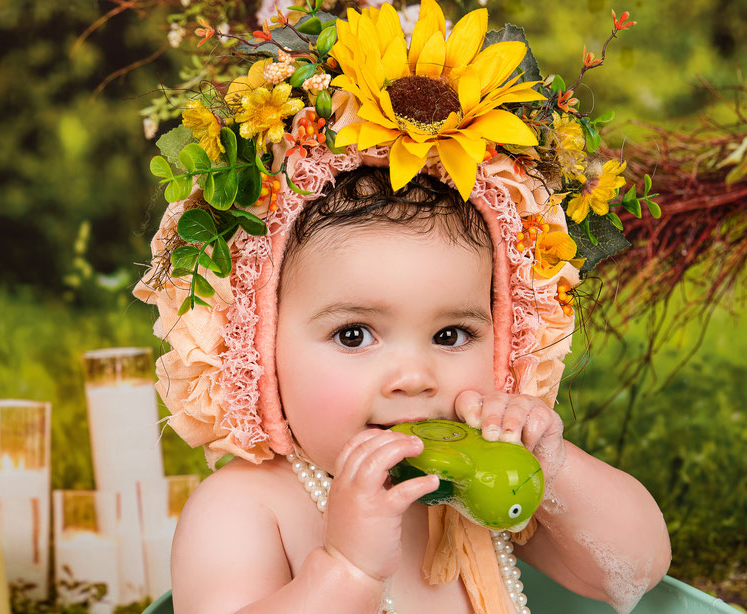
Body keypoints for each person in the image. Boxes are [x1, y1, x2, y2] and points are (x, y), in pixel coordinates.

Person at [133, 1, 669, 612]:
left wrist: (556, 471)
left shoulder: (474, 485)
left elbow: (632, 574)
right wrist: (345, 570)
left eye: (450, 336)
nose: (415, 379)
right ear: (253, 342)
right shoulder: (248, 507)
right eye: (355, 335)